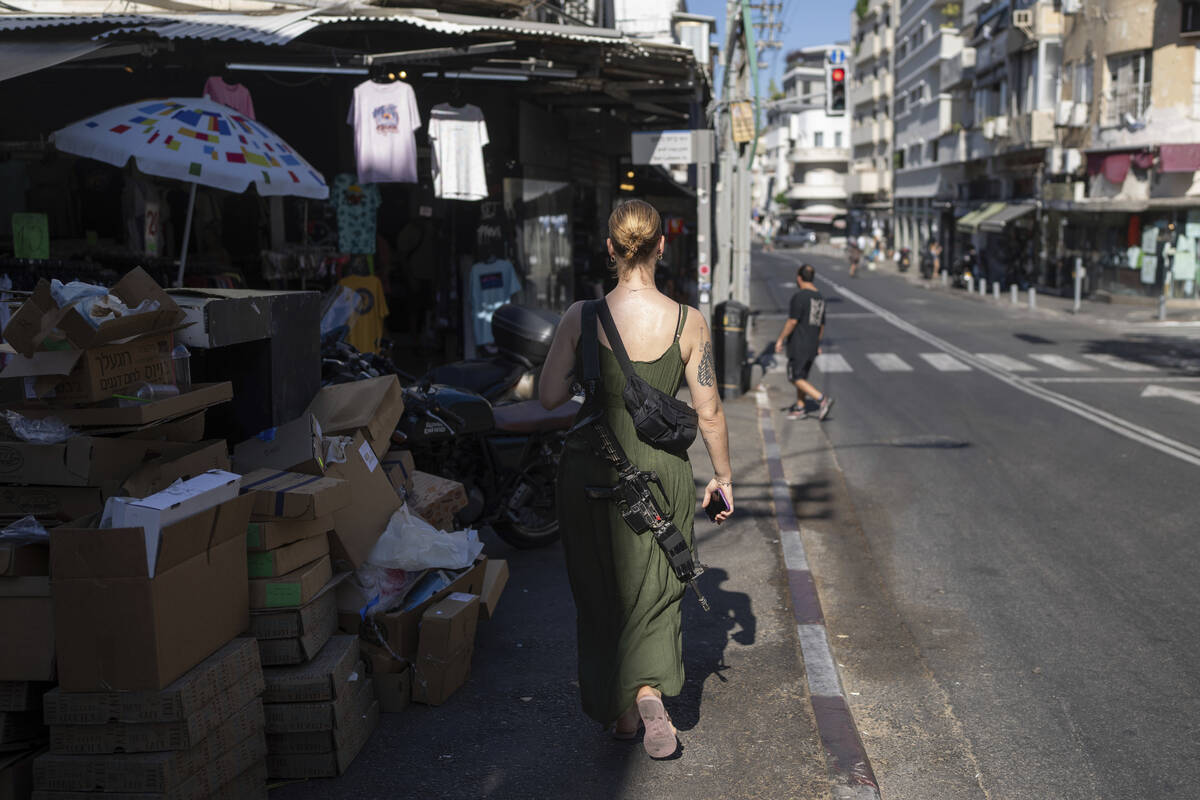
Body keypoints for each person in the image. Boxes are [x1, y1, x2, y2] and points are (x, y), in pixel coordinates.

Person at [539, 199, 735, 758]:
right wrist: (723, 476)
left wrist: (593, 384)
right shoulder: (688, 321)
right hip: (661, 473)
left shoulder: (580, 317)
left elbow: (549, 396)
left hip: (592, 467)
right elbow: (709, 412)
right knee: (659, 586)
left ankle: (622, 712)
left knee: (600, 590)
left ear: (610, 247)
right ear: (661, 246)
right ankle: (650, 692)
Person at [774, 264, 834, 421]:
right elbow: (821, 324)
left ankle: (822, 399)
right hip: (812, 344)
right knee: (802, 376)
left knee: (794, 377)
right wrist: (817, 343)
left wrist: (780, 339)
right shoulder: (820, 297)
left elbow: (792, 321)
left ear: (799, 278)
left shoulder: (799, 297)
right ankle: (801, 408)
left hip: (799, 343)